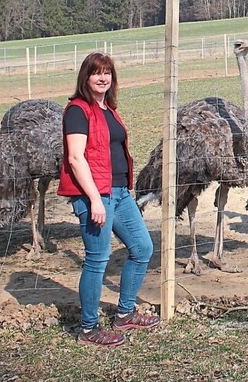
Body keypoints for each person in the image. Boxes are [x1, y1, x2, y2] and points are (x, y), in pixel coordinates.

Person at [59, 52, 160, 347]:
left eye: (107, 73)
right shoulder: (78, 110)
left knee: (142, 247)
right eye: (96, 73)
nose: (103, 78)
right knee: (97, 260)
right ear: (85, 77)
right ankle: (89, 329)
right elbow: (76, 158)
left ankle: (124, 314)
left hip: (119, 192)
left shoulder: (109, 109)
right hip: (95, 195)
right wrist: (94, 200)